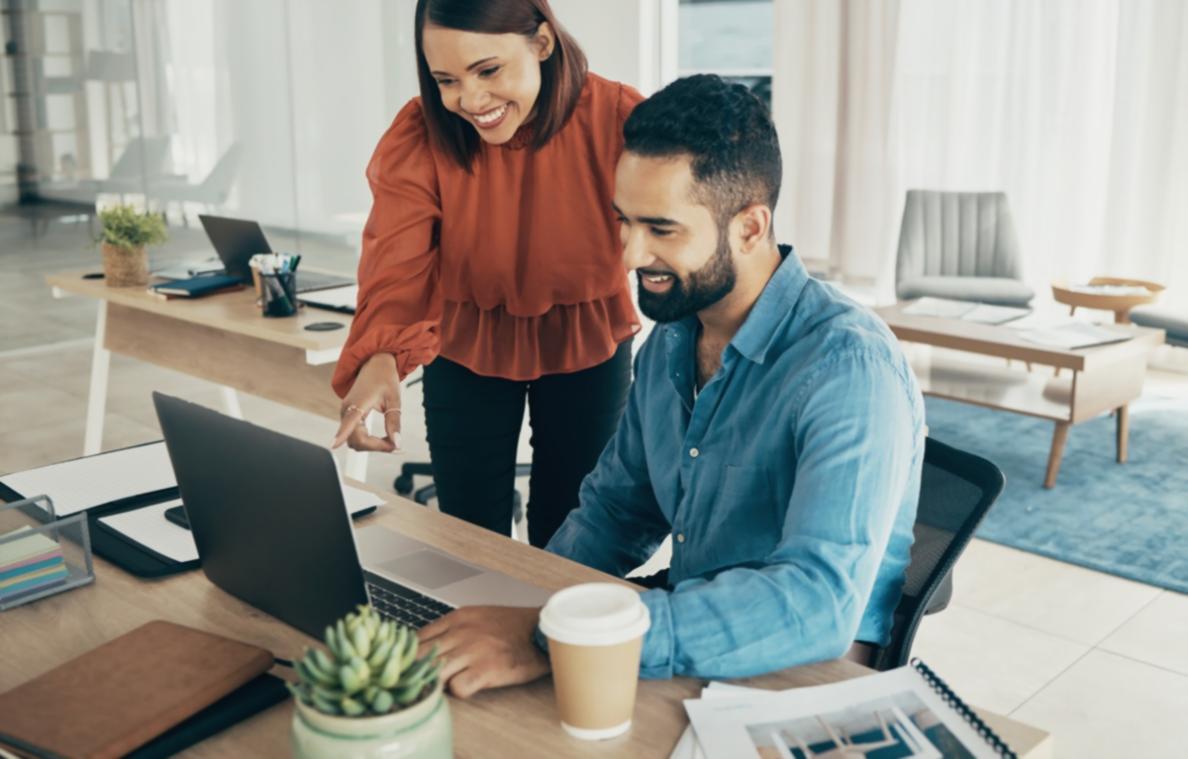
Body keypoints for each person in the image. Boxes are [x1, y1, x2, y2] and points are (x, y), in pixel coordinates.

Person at [417, 74, 926, 698]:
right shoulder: (671, 341)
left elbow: (816, 604)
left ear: (749, 227)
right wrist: (525, 605)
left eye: (661, 229)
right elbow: (617, 510)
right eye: (623, 222)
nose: (630, 255)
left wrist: (549, 637)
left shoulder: (849, 367)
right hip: (692, 643)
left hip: (805, 680)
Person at [331, 0, 642, 548]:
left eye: (488, 70)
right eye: (446, 80)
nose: (470, 101)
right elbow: (396, 258)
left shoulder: (617, 118)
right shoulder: (423, 133)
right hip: (465, 341)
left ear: (542, 43)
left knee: (573, 535)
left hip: (587, 339)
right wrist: (381, 354)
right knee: (469, 538)